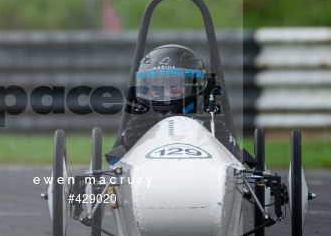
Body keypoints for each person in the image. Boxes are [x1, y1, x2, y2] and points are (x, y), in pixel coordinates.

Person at [106, 44, 251, 165]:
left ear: (194, 88)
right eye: (158, 91)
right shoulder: (142, 124)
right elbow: (112, 161)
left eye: (175, 91)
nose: (166, 96)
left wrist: (220, 141)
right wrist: (128, 140)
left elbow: (241, 162)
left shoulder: (209, 123)